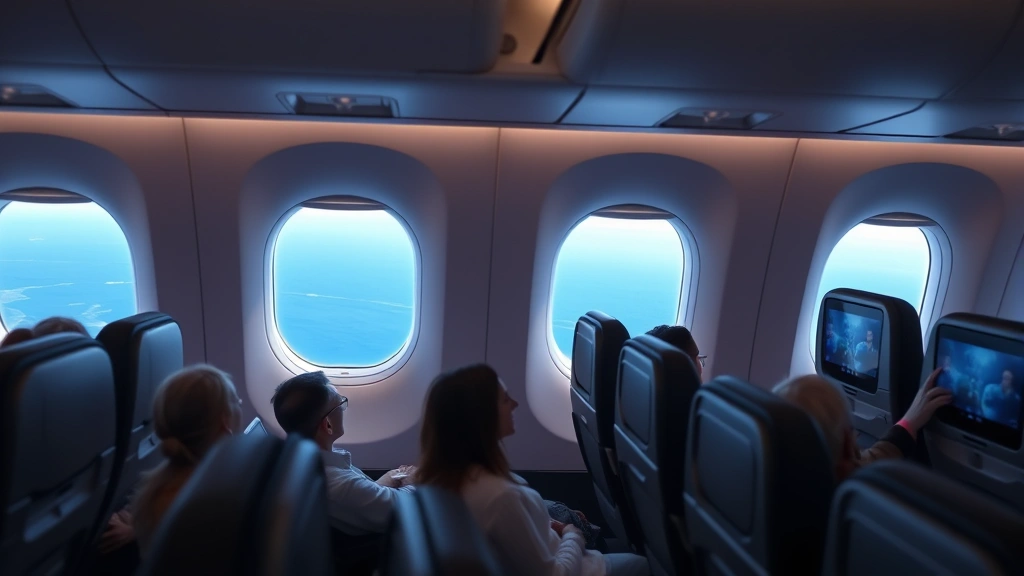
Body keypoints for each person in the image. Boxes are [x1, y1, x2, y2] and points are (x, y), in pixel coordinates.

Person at [417, 363, 650, 576]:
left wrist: (541, 525)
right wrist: (572, 535)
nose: (515, 404)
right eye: (505, 399)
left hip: (553, 549)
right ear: (484, 417)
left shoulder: (442, 479)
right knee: (642, 565)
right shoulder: (500, 497)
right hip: (578, 567)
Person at [270, 371, 414, 536]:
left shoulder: (308, 461)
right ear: (328, 424)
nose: (344, 409)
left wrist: (389, 479)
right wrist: (415, 480)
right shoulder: (338, 484)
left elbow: (363, 499)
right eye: (341, 404)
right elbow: (406, 509)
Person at [133, 365, 242, 557]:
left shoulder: (159, 485)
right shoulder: (212, 501)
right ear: (225, 422)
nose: (240, 404)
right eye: (238, 402)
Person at [773, 368, 952, 482]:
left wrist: (908, 424)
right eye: (852, 433)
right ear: (847, 446)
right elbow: (861, 467)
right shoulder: (852, 501)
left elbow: (867, 461)